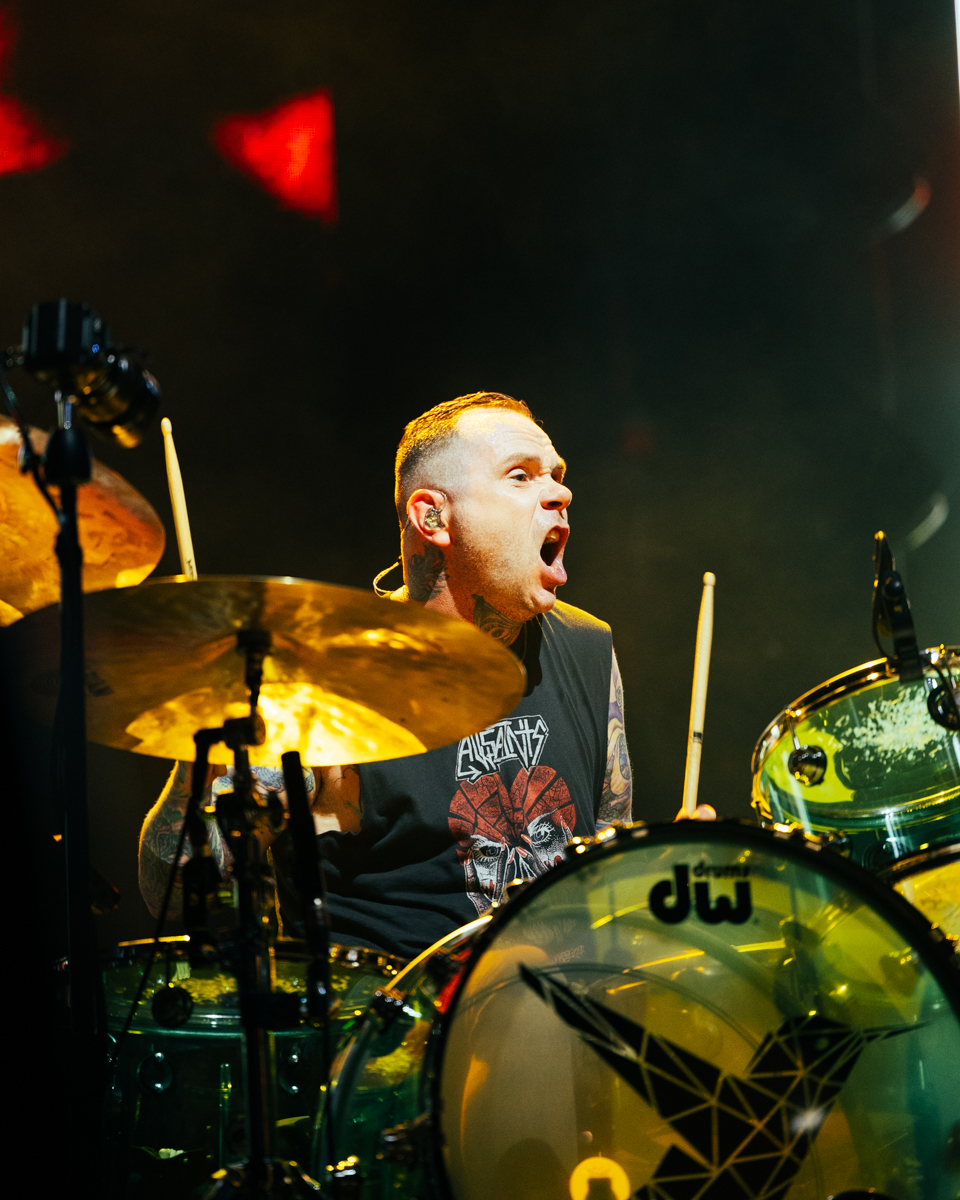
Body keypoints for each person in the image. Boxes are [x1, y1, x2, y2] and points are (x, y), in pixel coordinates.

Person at [139, 392, 711, 960]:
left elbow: (608, 857)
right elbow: (174, 896)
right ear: (433, 517)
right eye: (520, 476)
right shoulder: (322, 682)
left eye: (557, 476)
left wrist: (664, 872)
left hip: (559, 996)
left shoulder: (588, 645)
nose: (561, 494)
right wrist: (200, 757)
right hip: (397, 1008)